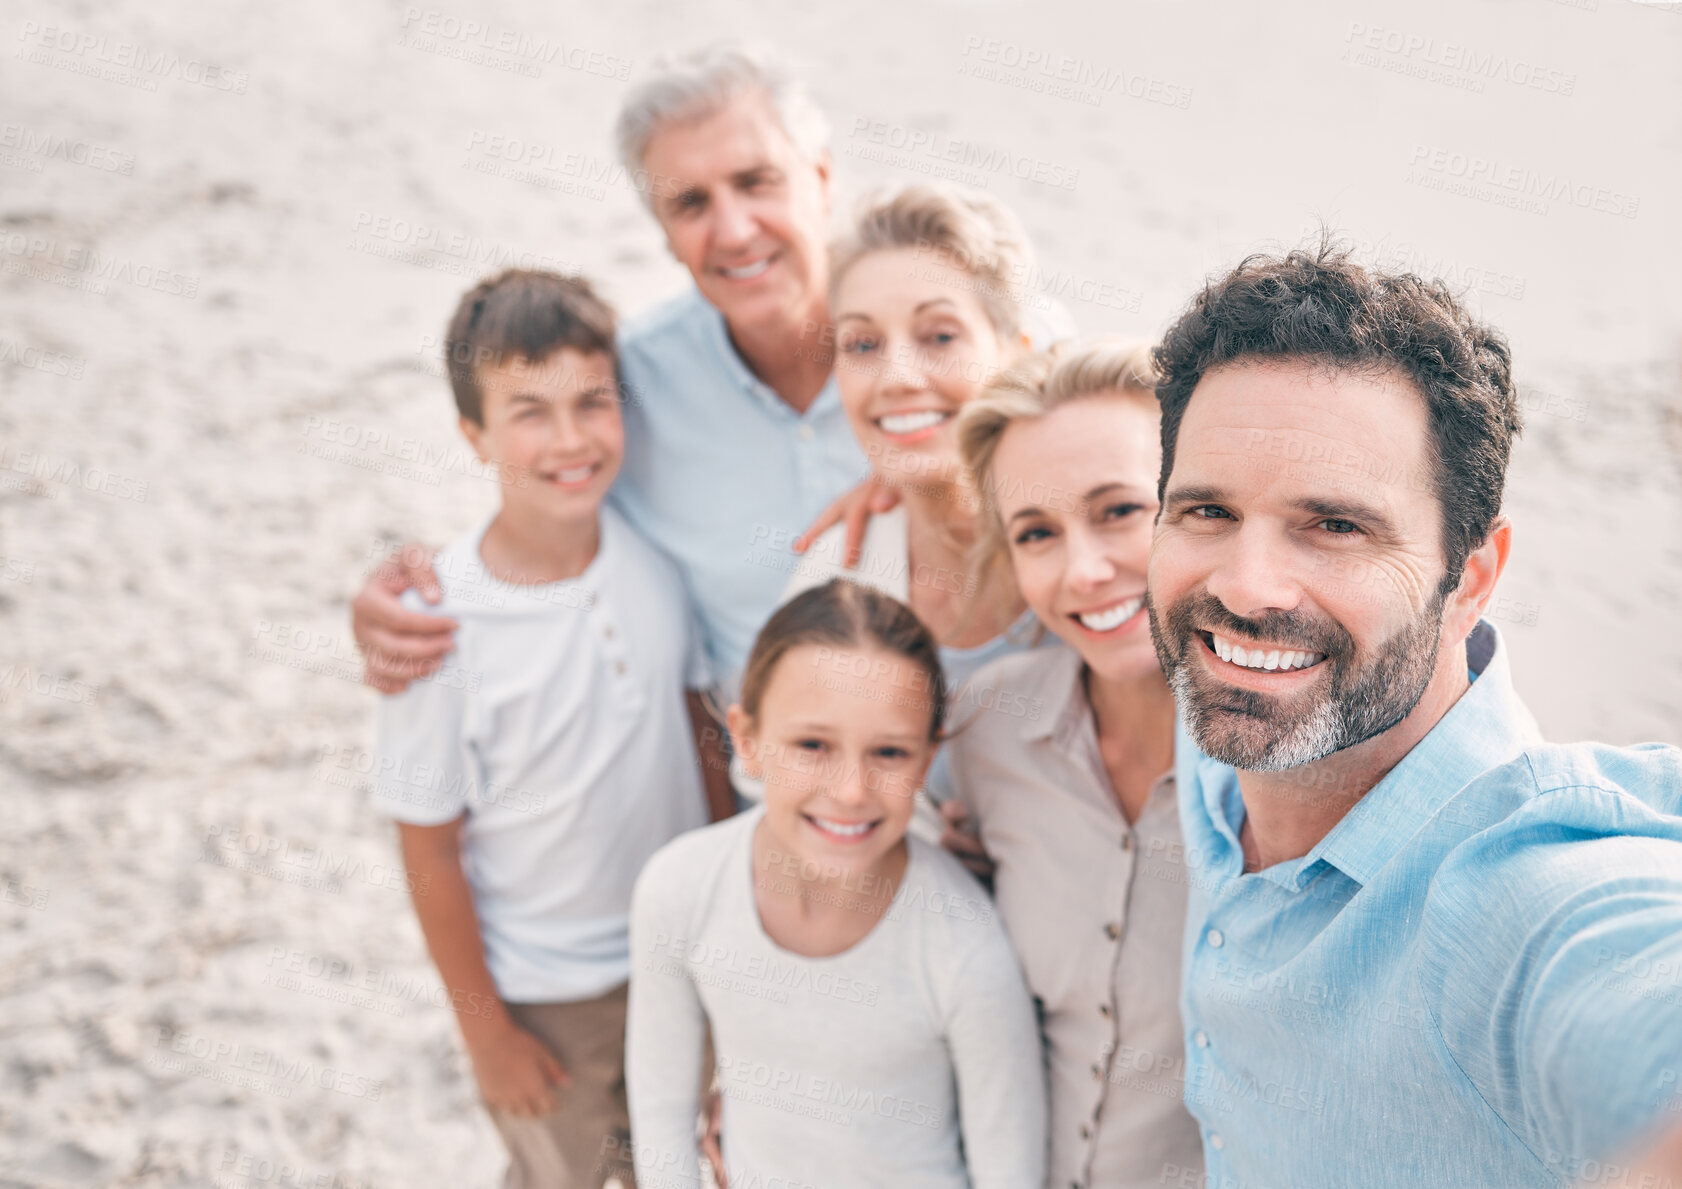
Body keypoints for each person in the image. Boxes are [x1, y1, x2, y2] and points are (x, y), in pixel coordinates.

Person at [1144, 241, 1682, 1186]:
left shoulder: (1518, 894)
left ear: (1470, 577)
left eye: (1337, 525)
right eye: (1207, 512)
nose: (1246, 587)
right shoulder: (1228, 730)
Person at [352, 45, 866, 697]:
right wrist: (415, 592)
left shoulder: (955, 336)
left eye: (756, 181)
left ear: (821, 179)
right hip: (773, 789)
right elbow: (543, 502)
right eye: (690, 204)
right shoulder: (630, 386)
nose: (734, 230)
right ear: (662, 232)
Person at [373, 270, 729, 1189]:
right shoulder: (438, 626)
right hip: (544, 996)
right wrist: (486, 1033)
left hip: (676, 960)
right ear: (473, 435)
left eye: (592, 402)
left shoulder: (654, 561)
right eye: (529, 411)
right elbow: (429, 849)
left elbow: (702, 737)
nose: (569, 439)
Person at [625, 580, 1046, 1189]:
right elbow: (662, 1120)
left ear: (927, 762)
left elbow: (1009, 1172)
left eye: (890, 753)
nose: (851, 790)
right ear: (746, 740)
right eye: (813, 744)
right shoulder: (679, 889)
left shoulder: (965, 947)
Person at [945, 339, 1204, 1189]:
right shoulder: (987, 730)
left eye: (1121, 510)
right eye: (1037, 533)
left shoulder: (1296, 763)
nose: (1084, 570)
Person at [763, 182, 1054, 834]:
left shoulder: (1098, 562)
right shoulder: (839, 570)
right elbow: (777, 784)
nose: (896, 376)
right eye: (863, 345)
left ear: (1016, 354)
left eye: (939, 334)